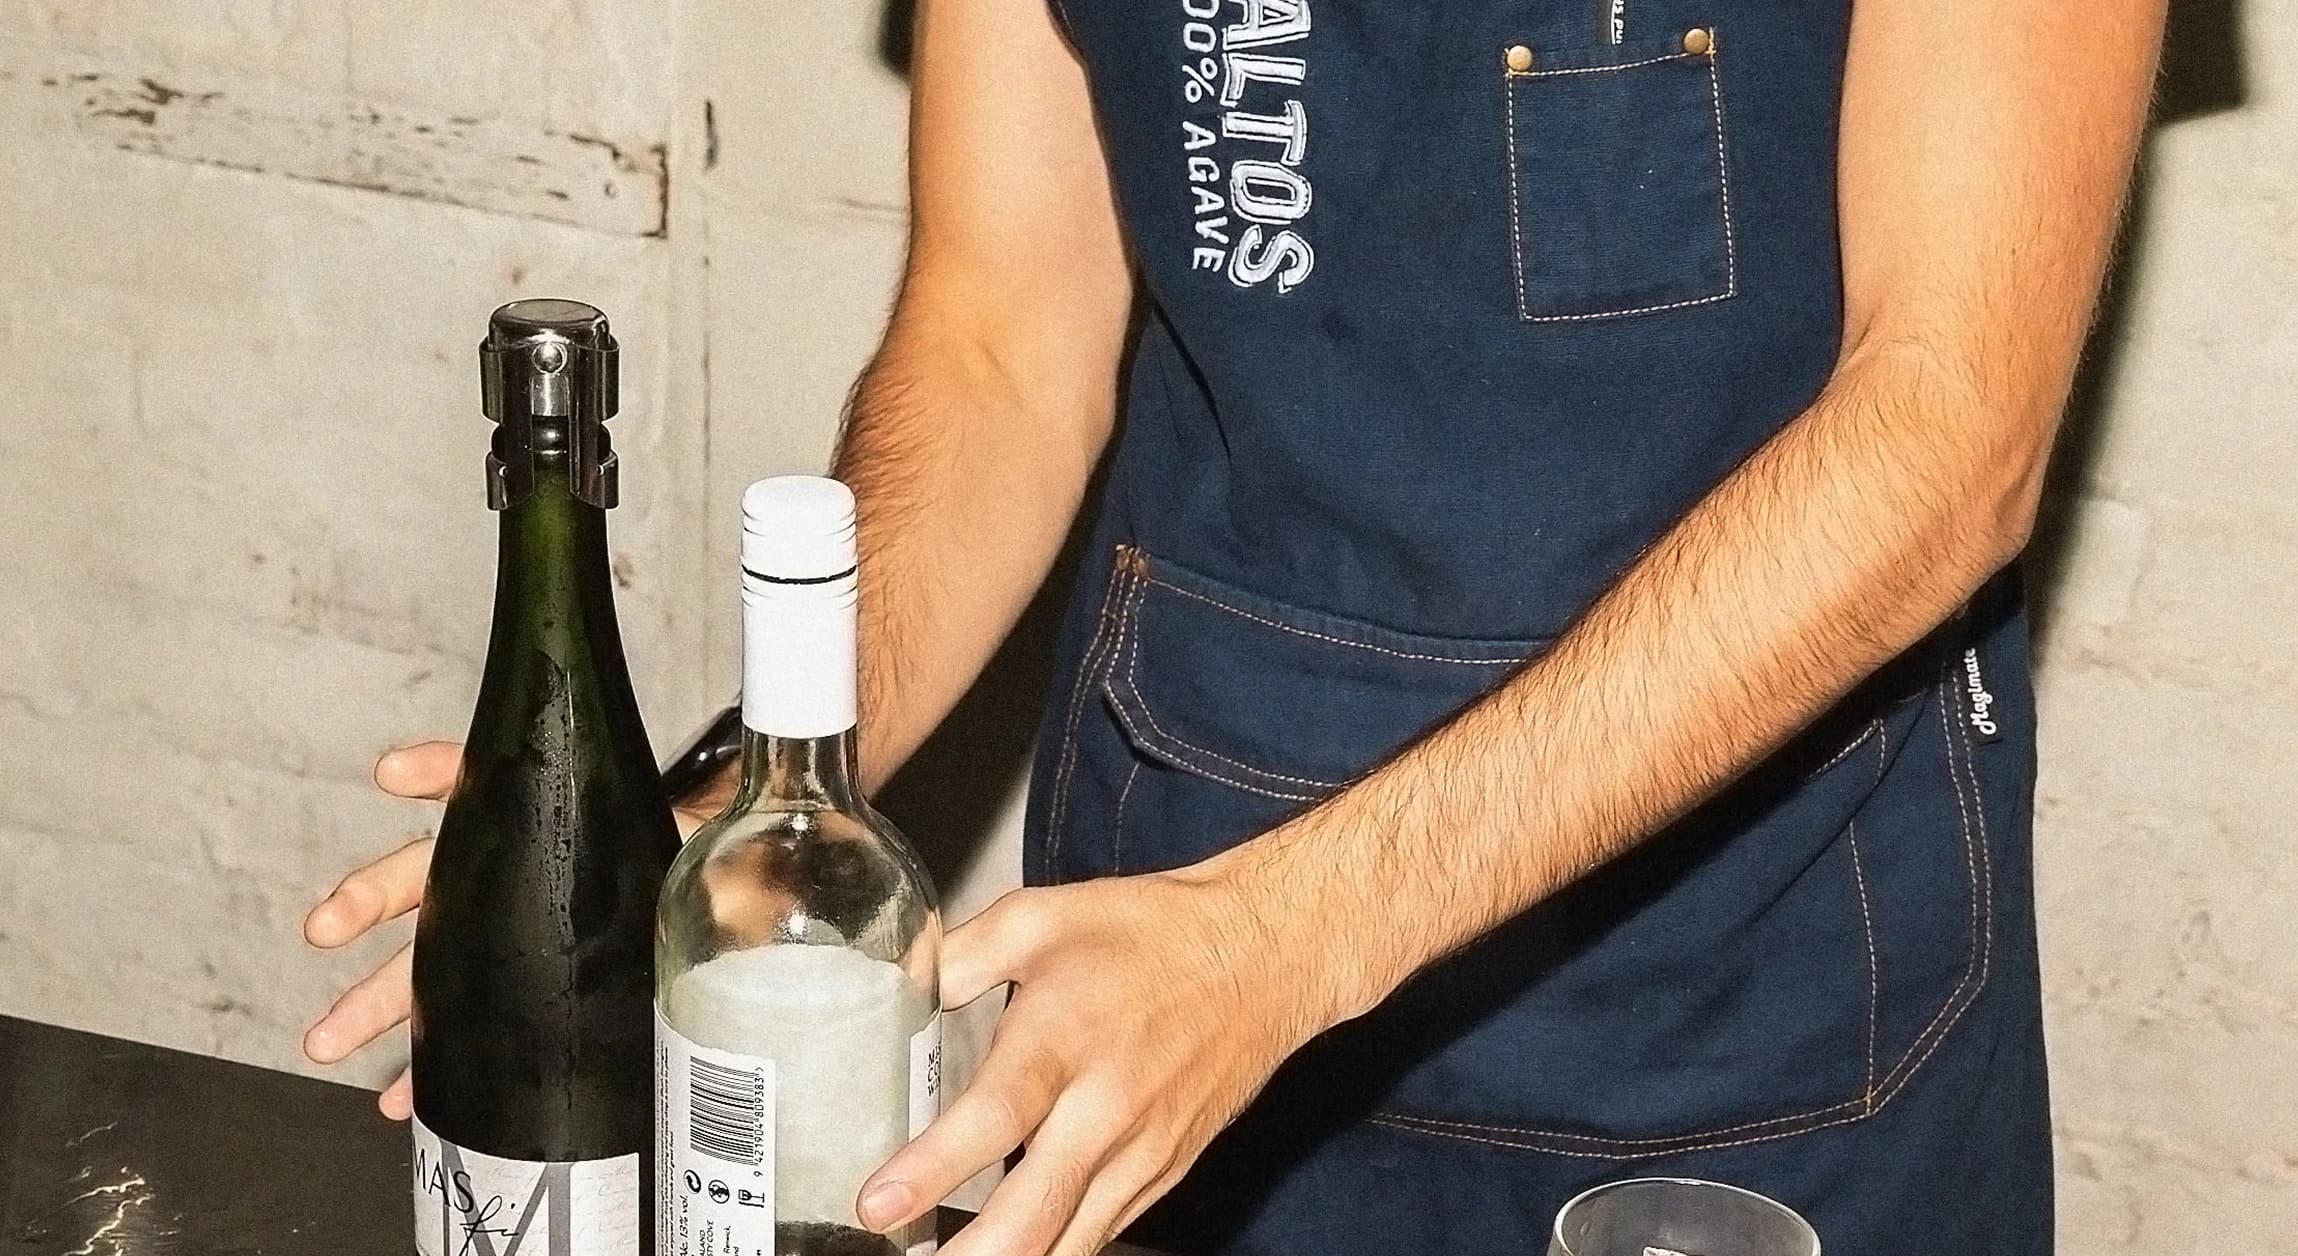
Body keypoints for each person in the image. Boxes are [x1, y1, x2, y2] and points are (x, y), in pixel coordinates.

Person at [302, 0, 2165, 1250]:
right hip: (1151, 978)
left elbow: (1945, 440)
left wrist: (1293, 937)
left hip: (1738, 1015)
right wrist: (743, 798)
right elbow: (999, 339)